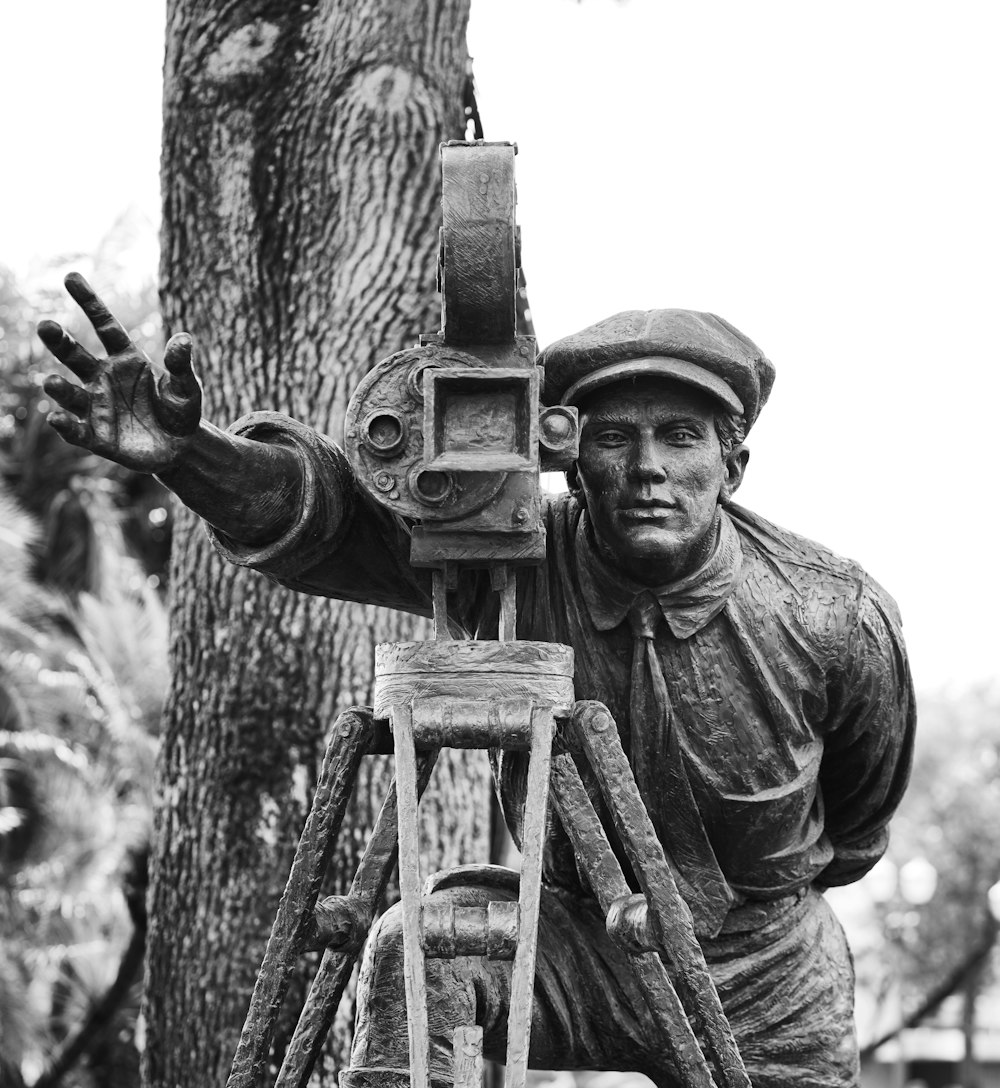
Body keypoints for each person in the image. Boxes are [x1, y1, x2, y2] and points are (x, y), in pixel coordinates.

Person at [39, 274, 915, 1088]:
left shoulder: (833, 613)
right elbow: (334, 521)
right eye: (615, 436)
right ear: (571, 456)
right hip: (576, 946)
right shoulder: (511, 556)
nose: (648, 468)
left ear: (733, 467)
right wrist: (193, 458)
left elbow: (861, 822)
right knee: (419, 954)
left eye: (681, 437)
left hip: (769, 973)